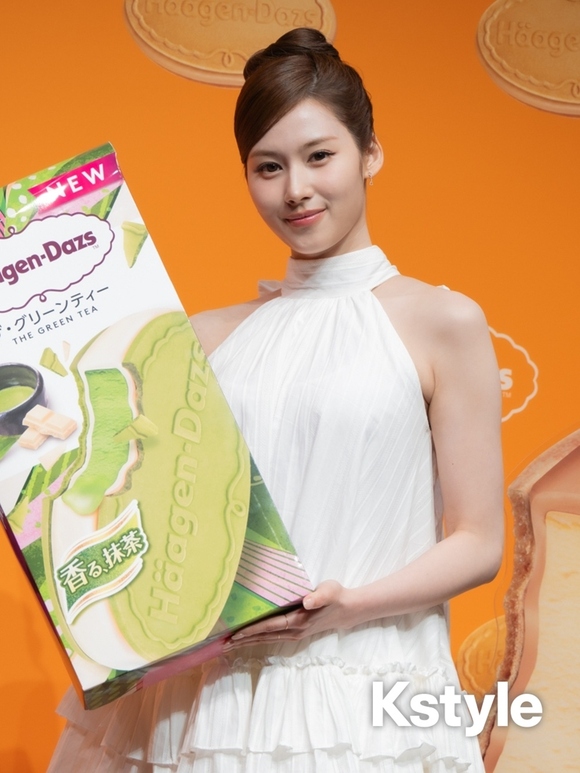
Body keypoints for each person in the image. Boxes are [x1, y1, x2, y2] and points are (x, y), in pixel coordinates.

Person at [48, 27, 503, 773]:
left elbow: (479, 540)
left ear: (370, 153)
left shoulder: (442, 322)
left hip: (357, 698)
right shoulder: (201, 337)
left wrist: (348, 605)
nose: (295, 189)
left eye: (319, 156)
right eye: (268, 166)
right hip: (196, 699)